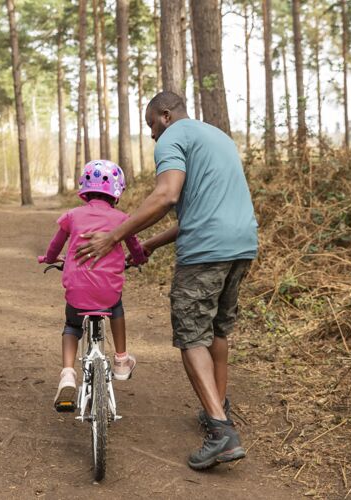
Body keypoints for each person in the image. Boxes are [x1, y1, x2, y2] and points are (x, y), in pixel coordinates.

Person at [74, 92, 258, 470]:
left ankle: (222, 433)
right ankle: (216, 410)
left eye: (151, 126)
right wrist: (151, 244)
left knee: (192, 335)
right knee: (217, 331)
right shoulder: (217, 137)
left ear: (165, 115)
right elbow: (201, 211)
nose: (153, 137)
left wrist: (112, 236)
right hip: (242, 246)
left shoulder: (174, 137)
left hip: (205, 252)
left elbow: (166, 195)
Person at [40, 159, 147, 411]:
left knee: (71, 325)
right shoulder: (123, 219)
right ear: (117, 193)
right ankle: (121, 359)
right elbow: (135, 247)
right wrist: (140, 258)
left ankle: (67, 373)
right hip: (108, 292)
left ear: (85, 189)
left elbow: (55, 246)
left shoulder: (72, 216)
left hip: (77, 291)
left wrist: (48, 258)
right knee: (116, 307)